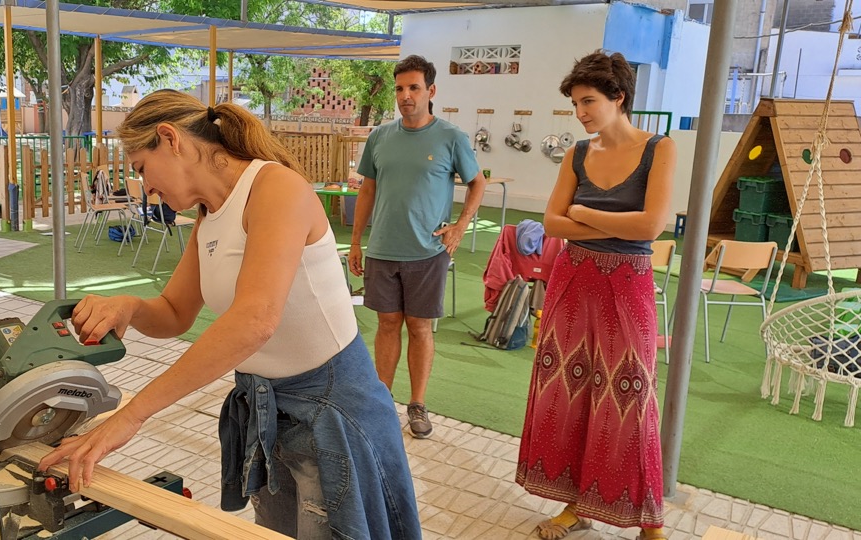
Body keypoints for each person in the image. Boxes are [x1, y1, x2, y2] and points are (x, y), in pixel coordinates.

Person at [37, 90, 421, 540]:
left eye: (141, 168)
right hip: (269, 411)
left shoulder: (275, 188)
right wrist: (131, 306)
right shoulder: (209, 215)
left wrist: (132, 414)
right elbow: (175, 312)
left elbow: (255, 321)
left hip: (334, 410)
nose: (146, 186)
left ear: (170, 138)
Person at [516, 50, 674, 540]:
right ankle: (574, 505)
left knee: (632, 396)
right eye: (575, 103)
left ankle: (650, 521)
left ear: (618, 97)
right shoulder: (577, 154)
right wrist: (602, 223)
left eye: (588, 101)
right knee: (570, 392)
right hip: (573, 279)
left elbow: (651, 224)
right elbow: (550, 222)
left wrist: (585, 214)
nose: (581, 112)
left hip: (629, 284)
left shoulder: (659, 149)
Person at [348, 55, 487, 439]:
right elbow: (368, 190)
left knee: (420, 328)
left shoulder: (450, 137)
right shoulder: (380, 137)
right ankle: (381, 400)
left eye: (413, 88)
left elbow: (478, 183)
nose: (405, 96)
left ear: (431, 91)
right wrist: (357, 242)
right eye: (399, 88)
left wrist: (460, 226)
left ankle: (418, 404)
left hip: (427, 252)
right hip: (382, 249)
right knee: (387, 324)